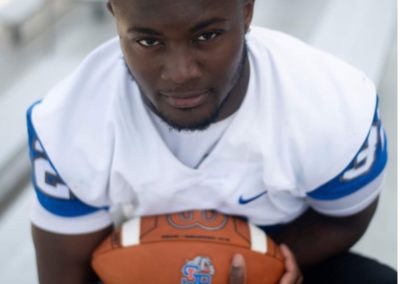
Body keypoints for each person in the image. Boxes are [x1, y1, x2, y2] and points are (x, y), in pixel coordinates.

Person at [27, 0, 396, 283]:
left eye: (207, 36)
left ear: (247, 10)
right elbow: (66, 273)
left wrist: (262, 268)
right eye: (148, 41)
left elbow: (345, 221)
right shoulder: (68, 123)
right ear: (114, 14)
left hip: (280, 252)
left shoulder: (331, 104)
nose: (180, 73)